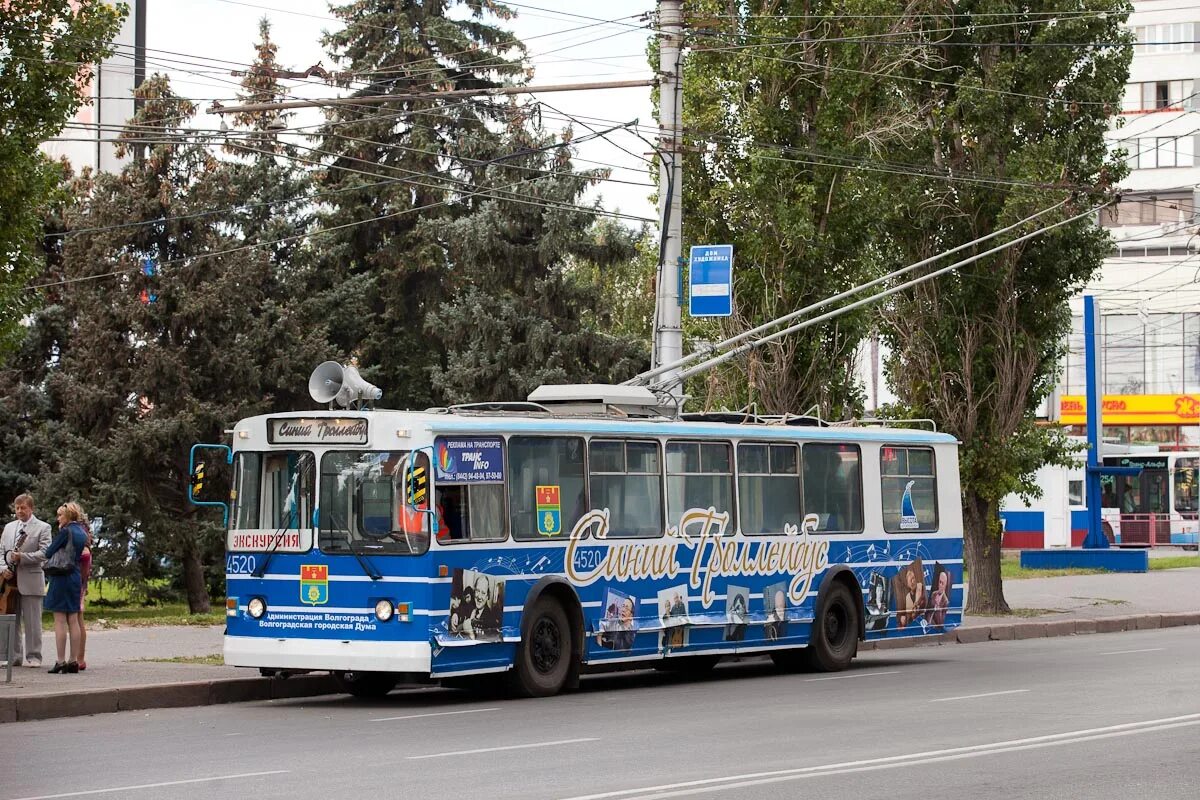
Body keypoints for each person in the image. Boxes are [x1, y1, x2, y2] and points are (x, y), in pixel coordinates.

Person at [1, 494, 53, 668]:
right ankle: (13, 656)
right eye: (17, 508)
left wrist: (22, 557)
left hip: (31, 580)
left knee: (32, 622)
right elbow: (1, 552)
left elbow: (45, 553)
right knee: (11, 620)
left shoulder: (43, 527)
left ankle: (34, 656)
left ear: (31, 508)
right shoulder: (9, 527)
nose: (19, 511)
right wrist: (3, 569)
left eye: (23, 507)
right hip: (9, 582)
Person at [40, 502, 89, 674]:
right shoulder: (82, 533)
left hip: (61, 577)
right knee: (73, 619)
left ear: (67, 516)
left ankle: (60, 661)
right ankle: (73, 661)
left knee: (60, 620)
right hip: (75, 576)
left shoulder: (65, 531)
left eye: (60, 515)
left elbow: (49, 551)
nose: (58, 518)